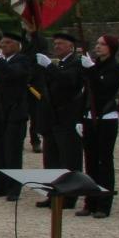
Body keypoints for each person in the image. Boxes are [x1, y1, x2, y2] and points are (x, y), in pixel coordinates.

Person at [0, 30, 32, 200]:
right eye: (2, 43)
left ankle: (13, 188)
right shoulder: (1, 62)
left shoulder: (22, 60)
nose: (3, 45)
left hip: (15, 112)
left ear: (18, 45)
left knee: (12, 152)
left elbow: (12, 74)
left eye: (8, 42)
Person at [78, 34, 119, 218]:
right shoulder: (94, 65)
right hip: (89, 116)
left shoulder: (116, 67)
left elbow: (105, 88)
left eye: (102, 44)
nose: (98, 47)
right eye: (97, 44)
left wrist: (91, 71)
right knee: (90, 160)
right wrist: (79, 118)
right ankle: (90, 201)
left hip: (106, 118)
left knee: (104, 161)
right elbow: (86, 93)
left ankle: (104, 204)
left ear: (111, 47)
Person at [38, 31, 86, 208]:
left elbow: (69, 82)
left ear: (70, 47)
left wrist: (49, 67)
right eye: (55, 43)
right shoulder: (58, 64)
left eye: (61, 44)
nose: (57, 46)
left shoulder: (76, 62)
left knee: (69, 158)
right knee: (52, 158)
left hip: (68, 117)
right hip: (53, 117)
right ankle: (53, 193)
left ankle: (69, 196)